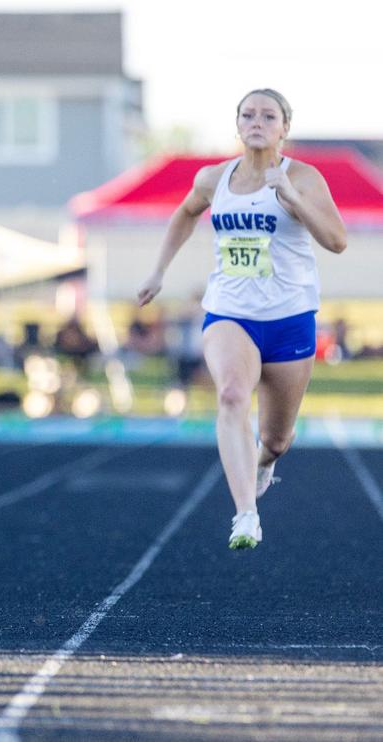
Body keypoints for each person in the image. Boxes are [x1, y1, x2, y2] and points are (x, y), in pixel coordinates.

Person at [138, 89, 346, 550]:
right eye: (247, 114)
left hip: (290, 319)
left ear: (283, 128)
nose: (257, 121)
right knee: (231, 395)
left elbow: (336, 240)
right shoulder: (215, 178)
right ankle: (246, 514)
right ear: (237, 125)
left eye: (267, 115)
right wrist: (158, 271)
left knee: (277, 438)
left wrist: (291, 197)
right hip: (230, 313)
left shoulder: (304, 177)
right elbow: (185, 214)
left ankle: (266, 462)